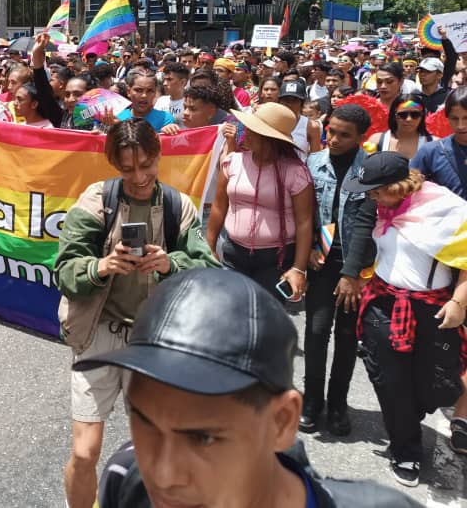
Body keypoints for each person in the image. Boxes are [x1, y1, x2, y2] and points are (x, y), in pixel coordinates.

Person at [80, 269, 424, 508]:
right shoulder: (124, 479)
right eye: (144, 421)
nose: (163, 474)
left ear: (282, 422)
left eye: (203, 438)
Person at [54, 120, 218, 508]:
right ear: (114, 164)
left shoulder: (178, 206)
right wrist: (101, 267)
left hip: (153, 342)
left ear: (158, 154)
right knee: (84, 452)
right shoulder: (97, 201)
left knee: (155, 449)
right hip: (98, 335)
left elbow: (210, 272)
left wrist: (170, 264)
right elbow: (65, 272)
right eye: (127, 169)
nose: (140, 177)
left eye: (147, 165)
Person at [343, 153, 467, 487]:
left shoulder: (447, 210)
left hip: (432, 310)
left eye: (375, 191)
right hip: (384, 305)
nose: (371, 198)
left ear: (396, 187)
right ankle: (406, 450)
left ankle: (408, 419)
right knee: (391, 382)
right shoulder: (382, 208)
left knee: (433, 386)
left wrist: (458, 302)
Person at [302, 103, 377, 437]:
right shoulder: (313, 162)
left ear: (361, 137)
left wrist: (351, 274)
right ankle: (312, 401)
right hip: (321, 262)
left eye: (344, 135)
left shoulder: (369, 170)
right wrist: (310, 249)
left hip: (354, 268)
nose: (333, 139)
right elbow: (306, 214)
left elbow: (365, 223)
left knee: (347, 338)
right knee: (316, 332)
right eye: (331, 131)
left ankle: (337, 404)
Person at [207, 102, 314, 299]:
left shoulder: (296, 173)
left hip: (275, 261)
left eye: (252, 130)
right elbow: (219, 206)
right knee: (231, 308)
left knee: (265, 312)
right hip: (233, 254)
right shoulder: (232, 162)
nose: (245, 133)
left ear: (270, 139)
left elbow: (304, 222)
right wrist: (209, 247)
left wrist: (298, 268)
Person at [411, 86, 467, 454]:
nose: (461, 125)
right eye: (455, 118)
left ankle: (462, 416)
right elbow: (409, 192)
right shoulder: (432, 152)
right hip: (440, 259)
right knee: (441, 332)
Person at [369, 91, 433, 159]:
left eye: (415, 114)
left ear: (422, 116)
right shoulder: (376, 141)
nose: (409, 119)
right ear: (394, 116)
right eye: (402, 115)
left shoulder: (434, 144)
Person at [279, 79, 322, 160]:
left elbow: (315, 159)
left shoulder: (312, 127)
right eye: (286, 100)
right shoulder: (271, 121)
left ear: (301, 103)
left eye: (294, 100)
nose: (289, 104)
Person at [154, 62, 188, 127]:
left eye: (169, 80)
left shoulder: (190, 104)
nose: (165, 83)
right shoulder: (161, 101)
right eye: (164, 79)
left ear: (183, 82)